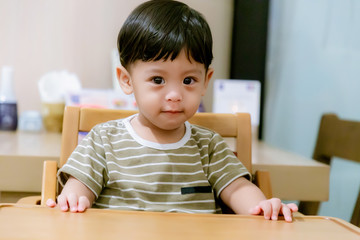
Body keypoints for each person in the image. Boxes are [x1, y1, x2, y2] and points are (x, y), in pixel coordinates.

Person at [47, 0, 298, 221]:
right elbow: (79, 185)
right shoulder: (104, 140)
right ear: (126, 80)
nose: (175, 95)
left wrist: (262, 206)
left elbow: (238, 189)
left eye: (189, 81)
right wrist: (73, 200)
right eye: (158, 80)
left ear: (205, 81)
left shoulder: (208, 146)